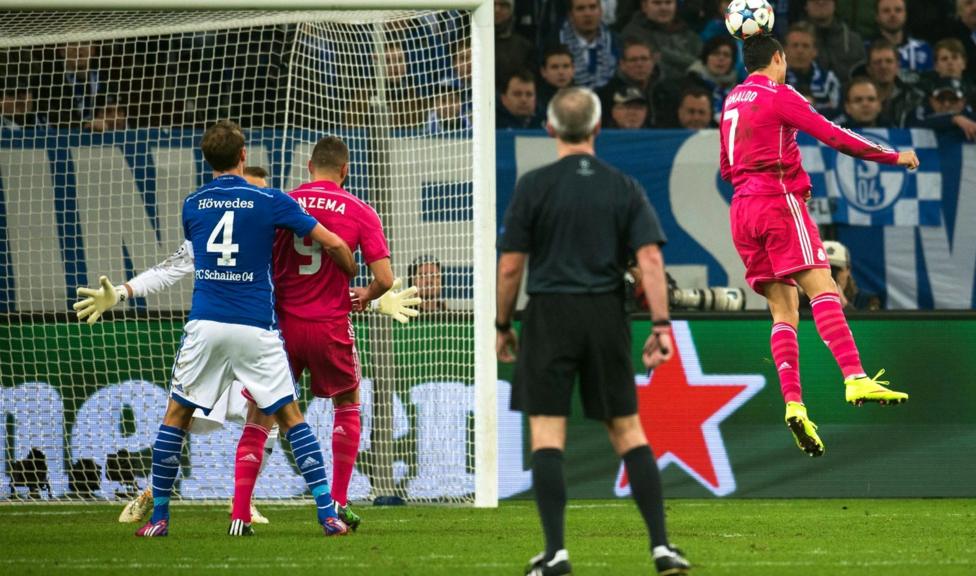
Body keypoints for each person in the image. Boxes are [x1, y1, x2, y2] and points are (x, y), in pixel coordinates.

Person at [76, 143, 421, 535]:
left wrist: (122, 292)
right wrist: (372, 297)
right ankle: (330, 508)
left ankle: (192, 511)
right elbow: (337, 253)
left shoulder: (198, 204)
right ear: (242, 156)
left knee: (200, 416)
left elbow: (176, 266)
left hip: (230, 326)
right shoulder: (272, 204)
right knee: (296, 415)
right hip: (270, 329)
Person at [496, 86, 690, 576]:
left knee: (547, 435)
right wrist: (662, 325)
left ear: (551, 129)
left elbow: (510, 267)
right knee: (628, 431)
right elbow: (650, 258)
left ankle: (557, 554)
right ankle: (662, 549)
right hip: (606, 313)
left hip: (550, 314)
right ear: (598, 129)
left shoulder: (534, 185)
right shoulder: (623, 185)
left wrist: (503, 323)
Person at [720, 35, 918, 458]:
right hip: (775, 201)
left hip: (741, 210)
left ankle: (795, 405)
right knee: (824, 287)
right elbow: (835, 135)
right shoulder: (779, 94)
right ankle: (854, 376)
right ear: (778, 58)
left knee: (783, 311)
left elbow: (726, 166)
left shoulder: (732, 99)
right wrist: (892, 156)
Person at [114, 166, 279, 527]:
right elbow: (168, 269)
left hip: (255, 339)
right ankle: (152, 493)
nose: (258, 199)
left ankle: (243, 500)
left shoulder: (272, 237)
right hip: (216, 340)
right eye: (254, 191)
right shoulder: (209, 234)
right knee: (184, 417)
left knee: (269, 420)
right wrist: (124, 291)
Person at [621, 0, 703, 83]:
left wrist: (665, 55)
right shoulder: (634, 33)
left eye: (668, 3)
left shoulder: (688, 32)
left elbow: (703, 63)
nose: (663, 8)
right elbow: (655, 66)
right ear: (644, 7)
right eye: (657, 3)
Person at [549, 0, 621, 90]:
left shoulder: (615, 41)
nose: (587, 14)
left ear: (601, 11)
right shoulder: (554, 42)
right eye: (580, 9)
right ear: (570, 15)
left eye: (592, 7)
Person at [783, 22, 841, 117]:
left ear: (814, 51)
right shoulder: (773, 81)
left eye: (805, 46)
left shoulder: (829, 80)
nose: (800, 51)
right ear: (785, 50)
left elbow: (838, 114)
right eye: (795, 45)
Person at [801, 0, 866, 82]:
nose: (821, 2)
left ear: (835, 4)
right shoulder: (795, 40)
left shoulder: (853, 40)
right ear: (806, 5)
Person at [873, 0, 934, 73]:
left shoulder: (924, 49)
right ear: (877, 17)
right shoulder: (866, 49)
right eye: (886, 11)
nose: (893, 14)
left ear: (905, 15)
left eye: (898, 10)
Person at [536, 45, 576, 114]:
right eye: (554, 67)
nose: (561, 72)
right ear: (543, 72)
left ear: (573, 69)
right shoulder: (535, 100)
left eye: (566, 66)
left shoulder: (584, 97)